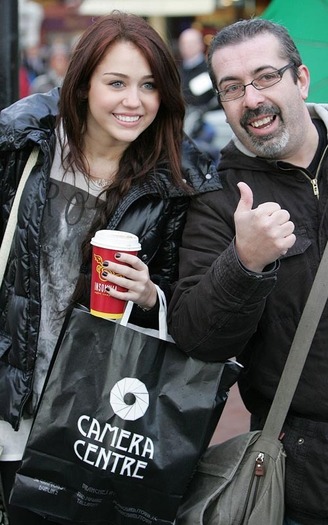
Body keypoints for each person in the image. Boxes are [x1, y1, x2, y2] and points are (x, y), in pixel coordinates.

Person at [0, 12, 220, 525]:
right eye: (116, 83)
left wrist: (150, 295)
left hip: (95, 426)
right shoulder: (23, 147)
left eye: (148, 86)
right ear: (81, 87)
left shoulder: (178, 184)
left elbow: (184, 302)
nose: (133, 101)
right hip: (11, 403)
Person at [168, 17, 328, 525]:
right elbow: (197, 337)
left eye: (265, 78)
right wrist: (245, 261)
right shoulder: (219, 199)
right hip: (299, 472)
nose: (251, 99)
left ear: (300, 80)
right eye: (232, 88)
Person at [177, 27, 219, 162]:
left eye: (190, 43)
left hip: (200, 126)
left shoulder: (209, 71)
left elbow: (198, 98)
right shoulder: (176, 70)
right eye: (183, 44)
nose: (186, 47)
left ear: (200, 45)